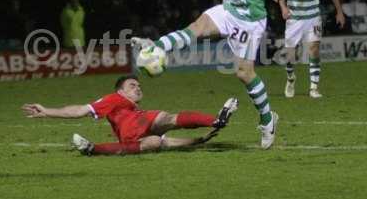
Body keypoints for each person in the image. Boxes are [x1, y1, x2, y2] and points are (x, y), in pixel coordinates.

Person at [132, 0, 280, 149]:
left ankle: (267, 119)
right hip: (230, 8)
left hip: (250, 19)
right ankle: (156, 46)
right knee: (196, 28)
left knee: (244, 73)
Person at [22, 75, 238, 156]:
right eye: (132, 85)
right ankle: (93, 149)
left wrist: (198, 141)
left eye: (139, 85)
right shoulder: (113, 99)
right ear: (120, 91)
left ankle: (216, 121)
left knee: (159, 134)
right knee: (160, 128)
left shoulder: (133, 107)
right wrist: (47, 110)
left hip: (139, 128)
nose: (138, 88)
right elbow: (80, 110)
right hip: (133, 132)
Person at [277, 0, 345, 98]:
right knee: (290, 55)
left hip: (313, 17)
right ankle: (291, 78)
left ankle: (314, 88)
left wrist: (339, 11)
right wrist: (283, 8)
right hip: (294, 18)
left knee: (314, 50)